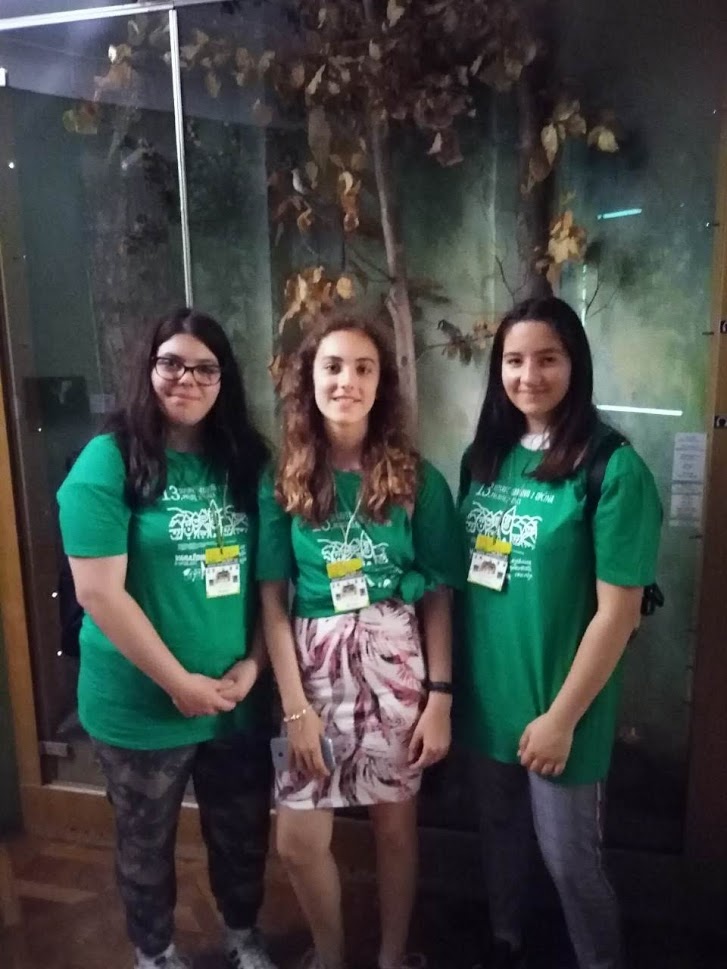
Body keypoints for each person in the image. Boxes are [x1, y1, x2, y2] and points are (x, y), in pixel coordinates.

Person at [57, 309, 276, 969]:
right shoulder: (108, 461)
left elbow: (272, 581)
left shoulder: (247, 461)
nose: (187, 379)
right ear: (148, 369)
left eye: (205, 368)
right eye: (171, 363)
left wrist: (254, 665)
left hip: (233, 698)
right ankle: (154, 952)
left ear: (224, 379)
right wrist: (178, 683)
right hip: (140, 704)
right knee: (145, 844)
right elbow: (99, 592)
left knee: (241, 835)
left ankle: (242, 936)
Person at [455, 297, 662, 969]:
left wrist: (561, 719)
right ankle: (507, 943)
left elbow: (617, 614)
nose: (528, 375)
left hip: (562, 708)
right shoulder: (484, 457)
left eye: (547, 359)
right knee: (499, 840)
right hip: (487, 699)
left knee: (570, 861)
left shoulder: (612, 469)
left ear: (575, 365)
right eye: (514, 360)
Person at [257, 314, 461, 969]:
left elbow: (438, 593)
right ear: (310, 379)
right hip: (313, 670)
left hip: (396, 662)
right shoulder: (283, 479)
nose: (346, 381)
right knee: (297, 839)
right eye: (333, 366)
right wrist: (295, 707)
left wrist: (439, 697)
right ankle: (331, 954)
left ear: (381, 383)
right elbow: (271, 598)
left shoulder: (418, 480)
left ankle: (392, 957)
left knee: (394, 826)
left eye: (363, 368)